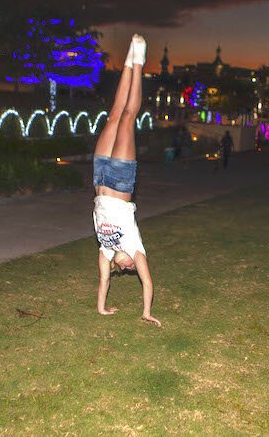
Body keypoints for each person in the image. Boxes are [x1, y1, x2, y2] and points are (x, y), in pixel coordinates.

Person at [92, 34, 161, 326]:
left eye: (127, 269)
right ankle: (139, 62)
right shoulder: (135, 248)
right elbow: (148, 283)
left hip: (99, 177)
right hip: (121, 181)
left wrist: (101, 308)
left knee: (113, 116)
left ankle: (129, 58)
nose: (130, 268)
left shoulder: (106, 252)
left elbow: (103, 282)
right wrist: (145, 312)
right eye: (132, 268)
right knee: (129, 116)